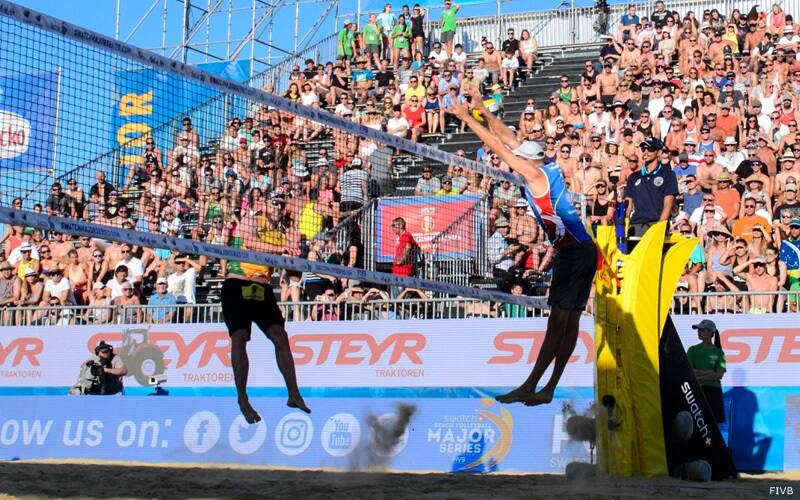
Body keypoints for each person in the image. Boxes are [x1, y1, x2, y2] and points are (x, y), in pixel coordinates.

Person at [447, 89, 597, 407]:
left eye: (521, 158)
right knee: (568, 321)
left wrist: (467, 119)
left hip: (574, 252)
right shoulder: (545, 166)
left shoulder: (534, 174)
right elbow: (509, 139)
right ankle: (547, 388)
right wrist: (483, 111)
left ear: (528, 160)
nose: (518, 162)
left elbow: (499, 148)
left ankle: (531, 385)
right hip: (580, 249)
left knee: (558, 322)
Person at [222, 212, 310, 424]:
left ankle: (294, 393)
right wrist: (282, 249)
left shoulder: (284, 234)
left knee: (280, 336)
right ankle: (243, 399)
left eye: (282, 204)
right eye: (274, 202)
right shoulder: (252, 219)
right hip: (237, 284)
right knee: (239, 337)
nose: (278, 207)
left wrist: (295, 255)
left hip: (262, 289)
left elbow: (294, 276)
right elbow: (250, 242)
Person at [687, 319, 726, 424]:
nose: (698, 332)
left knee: (715, 423)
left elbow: (719, 375)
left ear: (710, 332)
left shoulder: (719, 352)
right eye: (698, 330)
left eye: (701, 330)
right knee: (697, 423)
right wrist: (709, 372)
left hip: (714, 391)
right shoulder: (692, 350)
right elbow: (689, 372)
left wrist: (698, 375)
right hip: (697, 390)